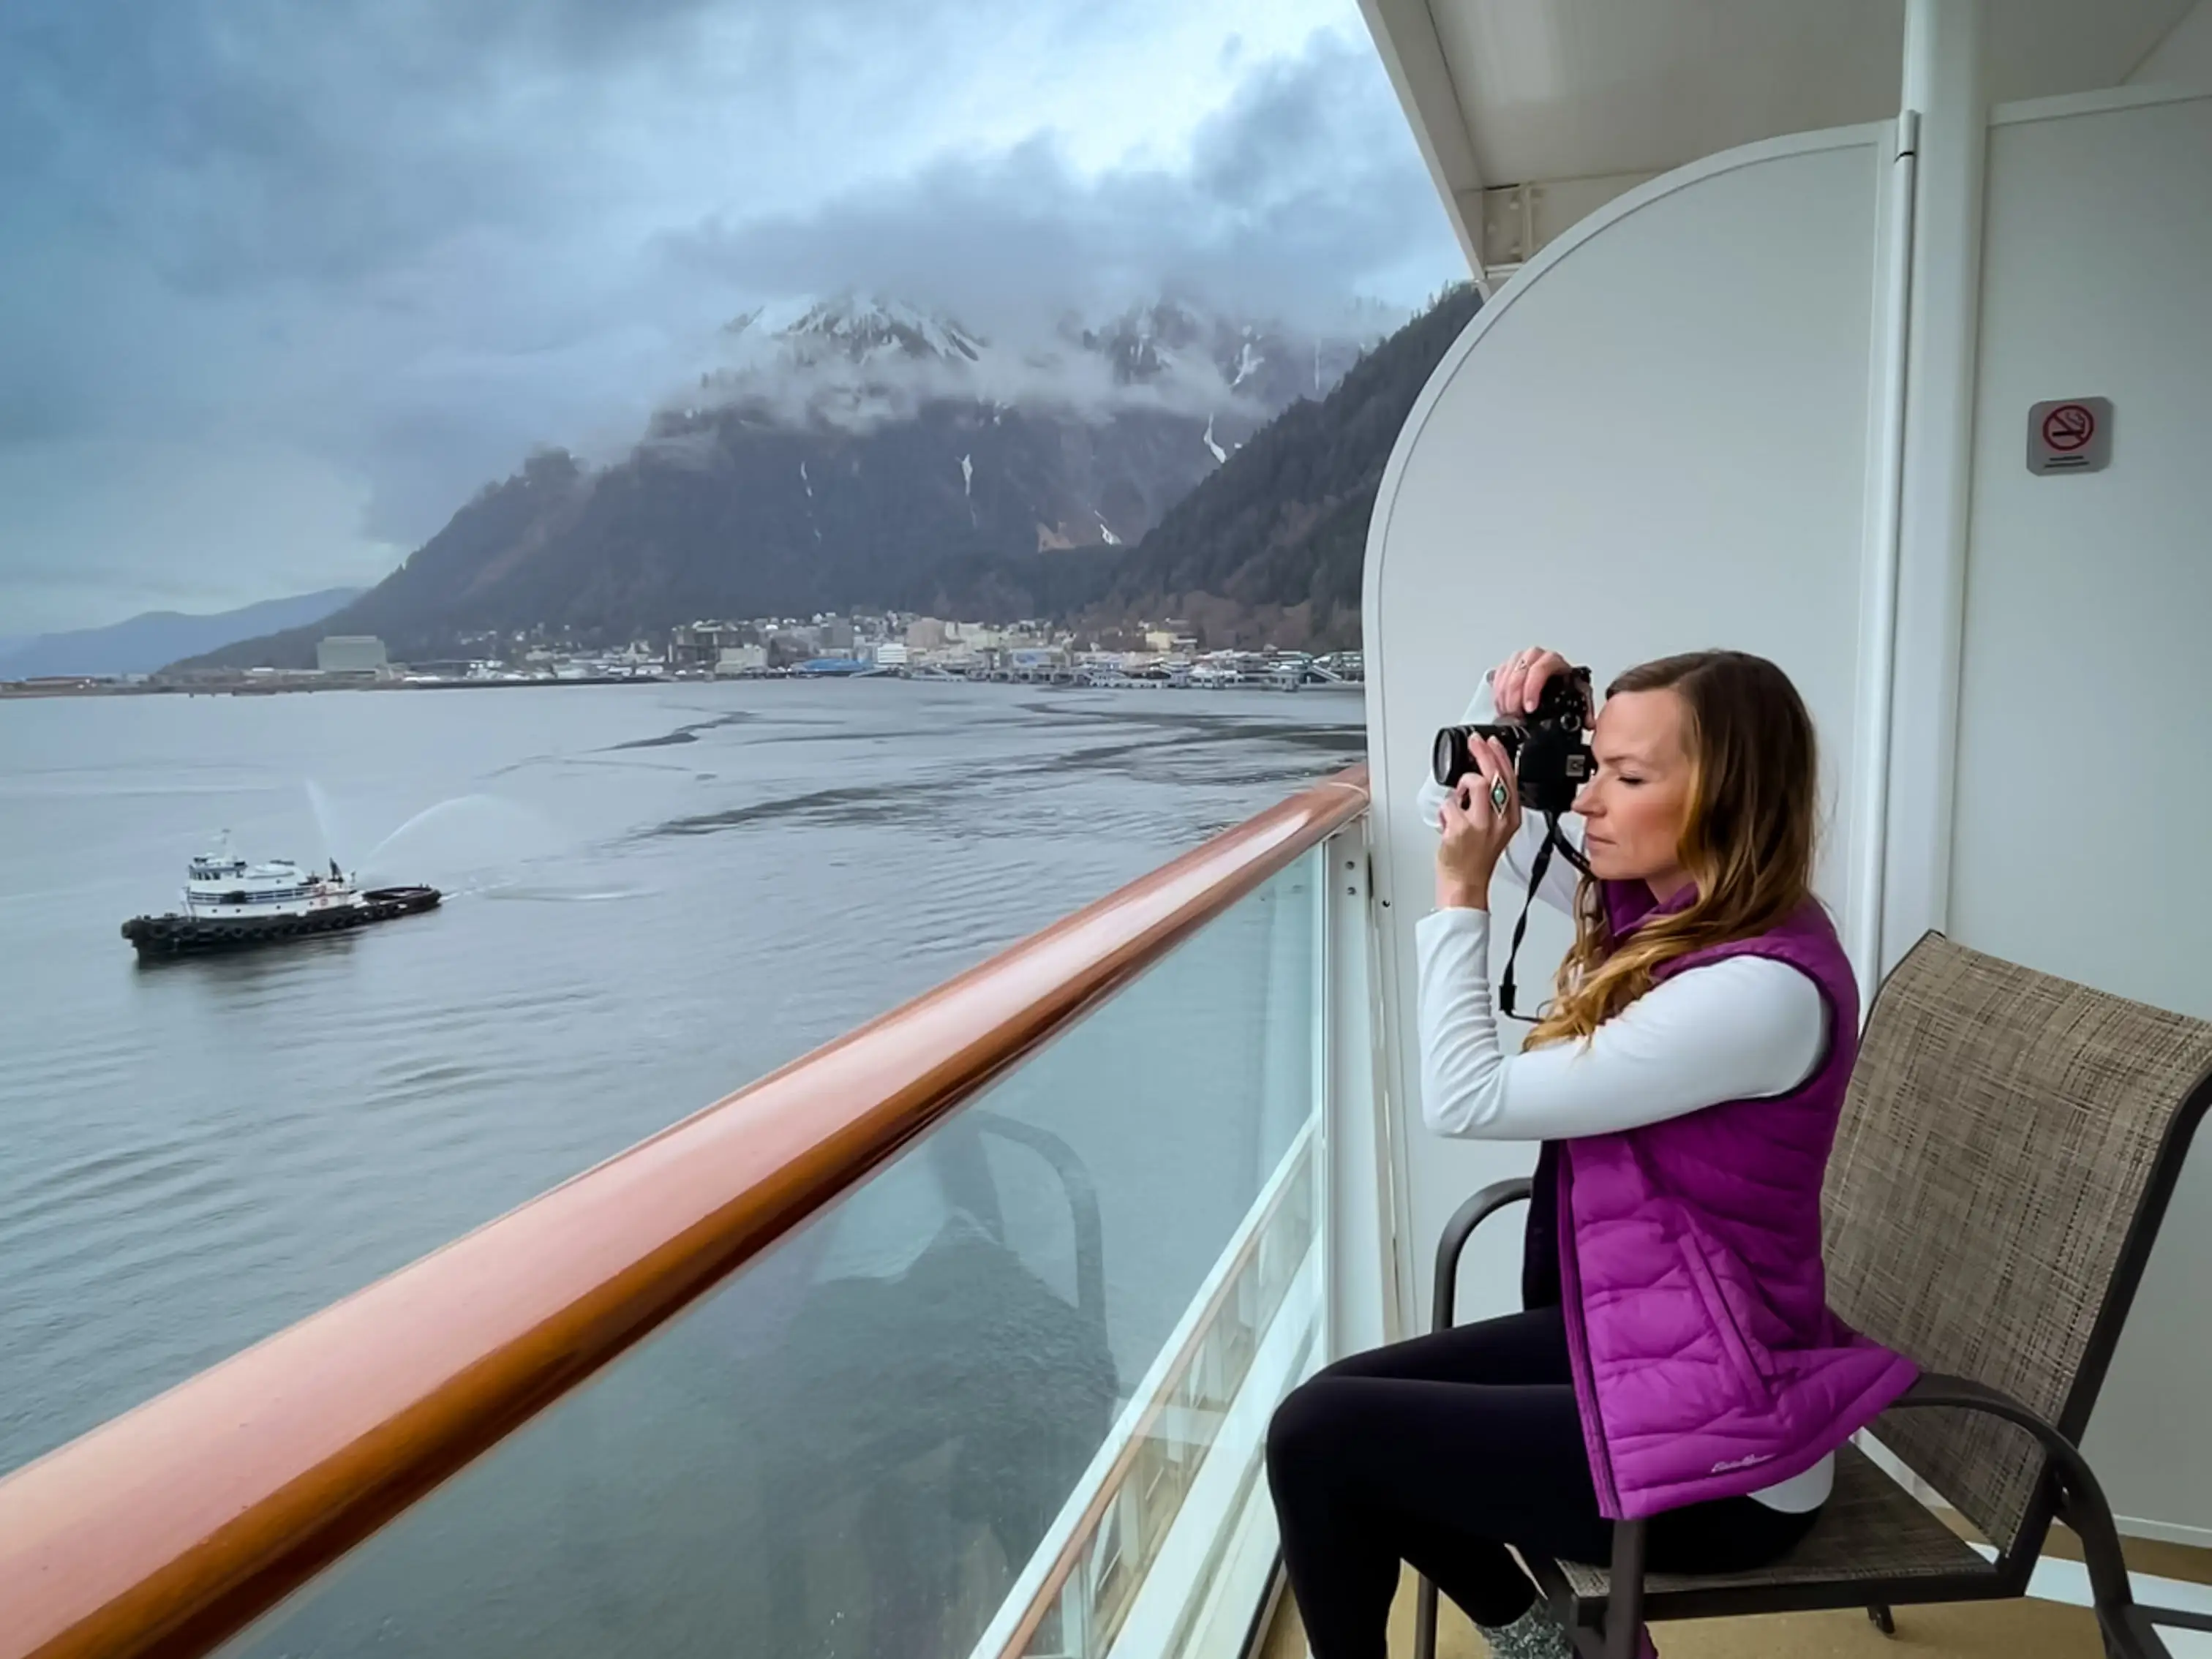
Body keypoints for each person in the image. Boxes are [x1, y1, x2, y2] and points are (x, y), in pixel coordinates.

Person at [1265, 646, 1917, 1659]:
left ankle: (1542, 1645)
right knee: (1332, 1415)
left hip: (1730, 1456)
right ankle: (1546, 1643)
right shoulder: (1692, 922)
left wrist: (1458, 897)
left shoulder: (1752, 992)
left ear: (1726, 797)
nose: (1587, 804)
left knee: (1323, 1444)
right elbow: (1520, 831)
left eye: (1627, 776)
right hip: (1669, 1348)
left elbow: (1463, 1097)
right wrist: (1505, 706)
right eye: (1592, 766)